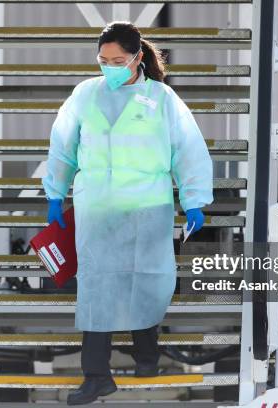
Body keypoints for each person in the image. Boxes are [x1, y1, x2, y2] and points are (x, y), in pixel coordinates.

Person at [41, 21, 214, 405]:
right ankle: (96, 375)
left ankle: (147, 358)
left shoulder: (163, 100)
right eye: (103, 60)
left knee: (146, 280)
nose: (109, 67)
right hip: (97, 208)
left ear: (138, 58)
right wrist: (55, 192)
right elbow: (63, 145)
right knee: (96, 287)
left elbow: (187, 150)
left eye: (118, 60)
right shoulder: (86, 94)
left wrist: (195, 199)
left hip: (146, 207)